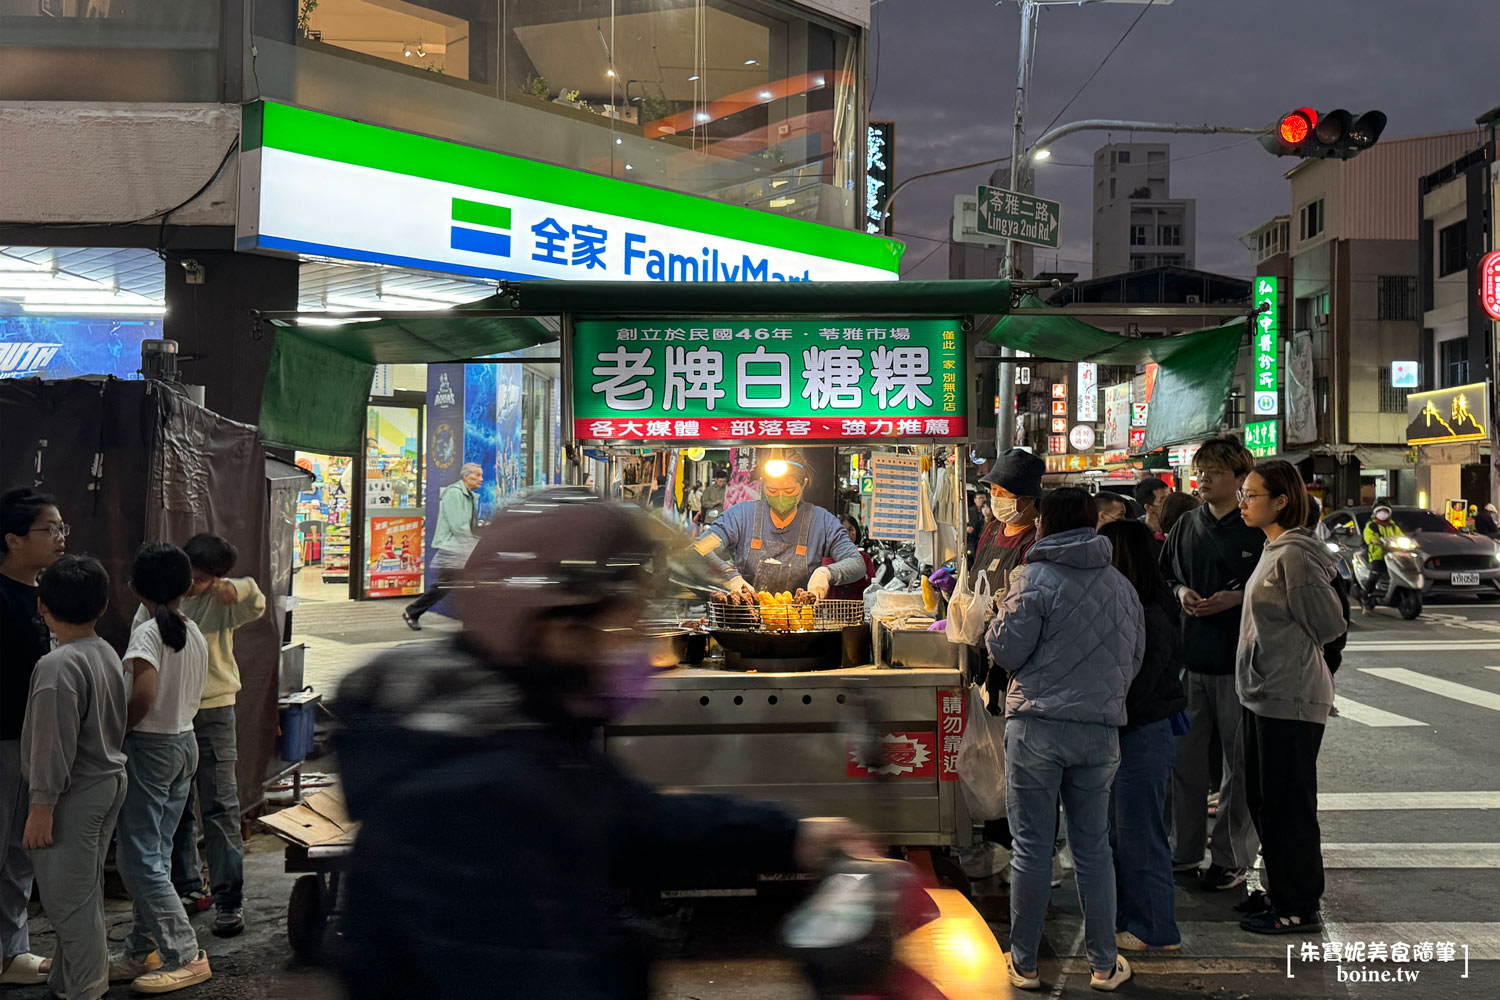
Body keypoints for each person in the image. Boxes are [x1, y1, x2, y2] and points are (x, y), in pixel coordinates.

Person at [332, 489, 873, 999]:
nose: (640, 652)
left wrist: (792, 835)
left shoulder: (507, 732)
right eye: (624, 630)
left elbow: (632, 819)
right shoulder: (470, 801)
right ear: (556, 632)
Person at [986, 488, 1143, 992]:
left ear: (1043, 525)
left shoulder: (1032, 578)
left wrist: (994, 621)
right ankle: (1103, 965)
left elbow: (1007, 651)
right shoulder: (1120, 585)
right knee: (1093, 847)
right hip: (1099, 732)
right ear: (1093, 524)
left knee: (1032, 848)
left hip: (1036, 727)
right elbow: (1133, 659)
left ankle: (1025, 964)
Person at [1234, 461, 1346, 934]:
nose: (1244, 502)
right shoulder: (1273, 548)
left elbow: (1330, 624)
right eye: (1243, 493)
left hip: (1291, 695)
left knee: (1288, 805)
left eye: (1251, 495)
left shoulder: (1296, 555)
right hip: (1265, 692)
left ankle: (1299, 906)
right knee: (1265, 799)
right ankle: (1282, 893)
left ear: (1281, 501)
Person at [137, 534, 265, 938]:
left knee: (221, 803)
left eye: (209, 578)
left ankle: (229, 899)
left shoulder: (220, 602)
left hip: (213, 710)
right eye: (195, 574)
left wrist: (236, 587)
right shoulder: (157, 604)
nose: (198, 584)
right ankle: (189, 887)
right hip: (173, 714)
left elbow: (257, 600)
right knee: (177, 809)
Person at [20, 555, 129, 1000]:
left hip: (72, 795)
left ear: (42, 606)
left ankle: (84, 991)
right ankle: (67, 985)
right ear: (103, 607)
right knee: (83, 894)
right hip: (105, 782)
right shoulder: (103, 651)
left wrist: (41, 807)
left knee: (69, 906)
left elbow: (53, 745)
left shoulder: (57, 666)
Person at [1160, 436, 1264, 892]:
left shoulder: (1257, 528)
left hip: (1242, 665)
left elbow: (1274, 587)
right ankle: (1184, 851)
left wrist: (1236, 598)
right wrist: (1181, 593)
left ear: (1240, 478)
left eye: (1214, 473)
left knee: (1239, 768)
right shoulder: (1186, 524)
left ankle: (1230, 857)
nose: (1202, 480)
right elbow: (1165, 576)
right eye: (1200, 472)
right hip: (1191, 660)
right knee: (1184, 762)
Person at [109, 544, 213, 994]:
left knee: (138, 859)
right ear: (187, 587)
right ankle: (141, 948)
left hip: (152, 748)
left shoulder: (148, 634)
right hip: (184, 743)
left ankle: (184, 954)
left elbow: (143, 696)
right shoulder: (194, 631)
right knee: (153, 853)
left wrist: (116, 732)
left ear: (134, 588)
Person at [1098, 521, 1187, 954]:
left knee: (1140, 834)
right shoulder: (1133, 603)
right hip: (1130, 731)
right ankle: (1129, 917)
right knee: (1120, 832)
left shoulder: (1150, 610)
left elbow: (1140, 683)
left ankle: (1155, 928)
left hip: (1142, 733)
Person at [0, 488, 66, 987]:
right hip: (4, 739)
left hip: (33, 741)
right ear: (13, 540)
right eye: (50, 529)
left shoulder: (46, 596)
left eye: (64, 528)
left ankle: (12, 950)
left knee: (22, 849)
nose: (61, 537)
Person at [697, 451, 864, 598]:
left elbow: (856, 562)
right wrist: (730, 576)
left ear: (804, 484)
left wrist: (826, 573)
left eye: (789, 491)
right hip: (745, 619)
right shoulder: (740, 516)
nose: (781, 496)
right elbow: (701, 549)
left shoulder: (822, 522)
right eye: (772, 490)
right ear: (763, 486)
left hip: (800, 624)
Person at [403, 463, 482, 630]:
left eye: (481, 475)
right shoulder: (454, 494)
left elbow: (468, 524)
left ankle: (413, 612)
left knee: (452, 584)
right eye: (477, 475)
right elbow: (458, 525)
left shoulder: (470, 495)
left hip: (462, 546)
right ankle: (412, 611)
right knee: (446, 585)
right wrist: (477, 541)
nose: (481, 479)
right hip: (452, 548)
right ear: (466, 477)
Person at [1360, 503, 1404, 604]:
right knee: (1375, 574)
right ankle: (1366, 594)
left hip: (1394, 555)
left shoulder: (1393, 526)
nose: (1383, 513)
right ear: (1375, 513)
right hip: (1378, 555)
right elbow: (1368, 536)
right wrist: (1374, 540)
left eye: (1385, 511)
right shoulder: (1372, 525)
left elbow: (1400, 536)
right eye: (1380, 511)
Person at [825, 515, 876, 601]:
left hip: (858, 609)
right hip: (832, 610)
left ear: (856, 532)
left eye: (850, 529)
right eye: (842, 530)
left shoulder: (864, 558)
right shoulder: (827, 557)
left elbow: (871, 584)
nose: (847, 534)